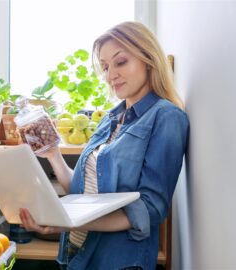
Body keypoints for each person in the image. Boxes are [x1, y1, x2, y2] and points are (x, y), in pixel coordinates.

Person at [19, 21, 189, 270]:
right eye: (106, 67)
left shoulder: (166, 117)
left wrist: (67, 222)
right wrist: (53, 155)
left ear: (148, 59)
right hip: (76, 253)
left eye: (120, 62)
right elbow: (81, 190)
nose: (110, 76)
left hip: (117, 260)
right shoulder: (110, 119)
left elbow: (150, 209)